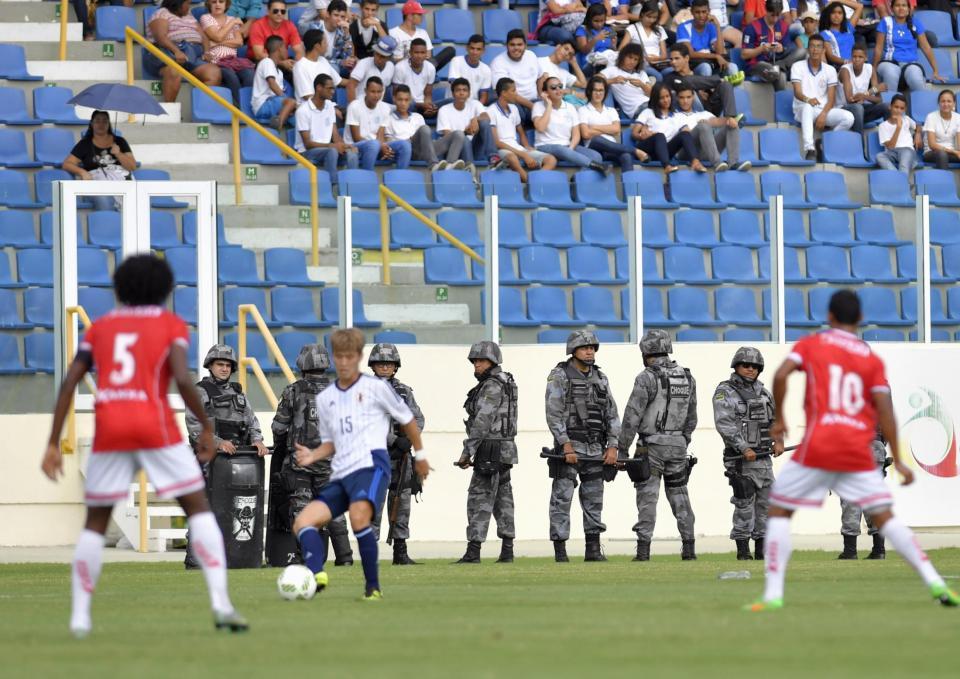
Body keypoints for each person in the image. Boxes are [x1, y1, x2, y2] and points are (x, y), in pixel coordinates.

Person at [42, 254, 247, 637]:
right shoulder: (171, 325)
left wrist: (53, 441)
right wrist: (205, 426)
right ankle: (221, 604)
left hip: (111, 430)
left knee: (95, 524)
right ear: (165, 290)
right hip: (155, 428)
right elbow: (184, 381)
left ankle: (80, 617)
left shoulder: (100, 328)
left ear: (119, 288)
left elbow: (70, 381)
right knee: (198, 510)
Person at [746, 290, 960, 611]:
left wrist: (779, 422)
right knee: (887, 518)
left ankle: (773, 593)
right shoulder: (870, 359)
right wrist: (899, 460)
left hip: (819, 446)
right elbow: (884, 409)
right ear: (860, 320)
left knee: (779, 513)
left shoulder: (811, 345)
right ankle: (935, 583)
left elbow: (780, 374)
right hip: (858, 450)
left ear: (829, 317)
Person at [291, 328, 429, 601]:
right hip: (343, 471)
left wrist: (420, 455)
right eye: (339, 356)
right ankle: (317, 575)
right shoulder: (326, 397)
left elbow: (409, 419)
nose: (344, 362)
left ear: (357, 358)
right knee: (303, 522)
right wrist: (313, 455)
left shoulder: (377, 388)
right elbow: (332, 442)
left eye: (349, 356)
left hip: (372, 465)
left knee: (358, 517)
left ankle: (372, 587)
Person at [183, 344, 268, 569]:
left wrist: (257, 440)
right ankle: (195, 560)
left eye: (228, 365)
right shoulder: (200, 391)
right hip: (208, 460)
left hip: (237, 461)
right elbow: (194, 427)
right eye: (220, 364)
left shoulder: (239, 393)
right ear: (210, 366)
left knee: (235, 509)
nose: (224, 369)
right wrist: (219, 443)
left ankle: (234, 556)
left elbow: (252, 422)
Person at [271, 343, 354, 568]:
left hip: (300, 465)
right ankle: (345, 557)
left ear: (302, 364)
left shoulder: (294, 391)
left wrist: (281, 447)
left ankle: (304, 557)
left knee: (302, 510)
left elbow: (279, 427)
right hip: (331, 465)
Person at [619, 330, 698, 562]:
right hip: (678, 446)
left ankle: (643, 552)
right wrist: (683, 440)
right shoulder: (686, 377)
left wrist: (622, 448)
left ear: (645, 352)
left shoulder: (647, 377)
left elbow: (632, 415)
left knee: (647, 498)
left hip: (650, 447)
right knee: (680, 497)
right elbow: (692, 417)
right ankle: (689, 549)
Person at [545, 331, 621, 563]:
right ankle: (560, 552)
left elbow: (612, 414)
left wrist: (613, 446)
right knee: (561, 500)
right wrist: (565, 444)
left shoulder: (601, 378)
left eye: (593, 348)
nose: (590, 351)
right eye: (584, 347)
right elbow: (554, 413)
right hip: (570, 450)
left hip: (596, 450)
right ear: (573, 350)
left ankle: (593, 550)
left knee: (594, 501)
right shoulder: (559, 375)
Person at [713, 347, 781, 561]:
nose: (750, 369)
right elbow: (724, 424)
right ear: (736, 366)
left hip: (763, 460)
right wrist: (743, 447)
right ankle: (743, 551)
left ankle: (761, 550)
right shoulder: (725, 391)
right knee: (744, 506)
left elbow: (775, 420)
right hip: (741, 461)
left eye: (754, 366)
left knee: (767, 506)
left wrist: (778, 440)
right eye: (745, 365)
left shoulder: (764, 393)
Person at [455, 342, 519, 564]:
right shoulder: (507, 381)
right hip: (505, 450)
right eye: (474, 361)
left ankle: (474, 551)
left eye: (480, 361)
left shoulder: (491, 386)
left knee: (479, 499)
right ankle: (507, 550)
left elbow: (483, 421)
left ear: (492, 361)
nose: (476, 365)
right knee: (503, 499)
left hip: (490, 449)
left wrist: (467, 451)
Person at [367, 344, 426, 565]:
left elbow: (418, 419)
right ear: (373, 365)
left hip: (401, 459)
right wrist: (393, 440)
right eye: (381, 363)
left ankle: (400, 551)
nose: (385, 366)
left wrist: (409, 439)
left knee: (401, 504)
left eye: (389, 363)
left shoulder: (404, 391)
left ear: (395, 367)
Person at [144, 0, 223, 103]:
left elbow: (204, 37)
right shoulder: (161, 13)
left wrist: (207, 52)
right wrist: (176, 51)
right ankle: (170, 109)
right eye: (187, 3)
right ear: (178, 3)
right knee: (174, 71)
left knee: (213, 72)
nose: (189, 7)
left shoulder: (189, 15)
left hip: (191, 55)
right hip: (167, 54)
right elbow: (160, 37)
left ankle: (200, 108)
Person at [792, 34, 854, 160]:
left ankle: (825, 144)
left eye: (818, 46)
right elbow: (797, 92)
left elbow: (831, 98)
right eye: (812, 46)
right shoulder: (797, 66)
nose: (815, 49)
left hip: (822, 109)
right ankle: (810, 149)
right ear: (808, 49)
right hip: (802, 108)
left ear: (823, 50)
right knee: (808, 107)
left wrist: (824, 114)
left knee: (849, 118)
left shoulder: (830, 70)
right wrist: (808, 100)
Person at [62, 111, 137, 212]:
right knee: (104, 200)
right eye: (97, 121)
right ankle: (109, 226)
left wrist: (119, 153)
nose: (101, 124)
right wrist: (82, 172)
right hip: (96, 183)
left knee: (139, 200)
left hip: (122, 180)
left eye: (104, 121)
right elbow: (67, 164)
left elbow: (132, 166)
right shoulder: (85, 144)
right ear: (92, 124)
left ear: (108, 124)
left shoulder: (120, 141)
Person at [488, 77, 558, 181]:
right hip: (503, 150)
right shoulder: (491, 111)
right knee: (512, 158)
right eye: (513, 90)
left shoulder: (514, 108)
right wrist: (524, 155)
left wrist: (526, 146)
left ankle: (536, 180)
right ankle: (530, 183)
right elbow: (497, 143)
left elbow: (521, 132)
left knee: (551, 160)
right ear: (503, 93)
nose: (516, 93)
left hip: (518, 148)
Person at [533, 77, 607, 172]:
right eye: (553, 87)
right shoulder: (538, 106)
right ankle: (597, 167)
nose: (558, 90)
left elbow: (576, 134)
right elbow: (540, 128)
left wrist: (571, 148)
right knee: (560, 149)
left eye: (560, 86)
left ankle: (576, 178)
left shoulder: (570, 107)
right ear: (546, 92)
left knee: (596, 156)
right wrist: (549, 106)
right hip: (545, 146)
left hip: (567, 146)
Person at [385, 85, 465, 171]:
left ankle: (450, 165)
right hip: (409, 151)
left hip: (426, 150)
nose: (403, 103)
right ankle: (433, 164)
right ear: (394, 99)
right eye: (400, 100)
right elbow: (390, 144)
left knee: (459, 134)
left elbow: (426, 138)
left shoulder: (418, 117)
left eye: (406, 100)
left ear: (410, 101)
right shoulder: (389, 119)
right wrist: (408, 141)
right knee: (424, 128)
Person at [579, 76, 649, 171]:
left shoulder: (611, 111)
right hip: (593, 148)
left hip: (611, 149)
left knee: (626, 156)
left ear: (605, 92)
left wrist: (594, 127)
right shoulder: (583, 110)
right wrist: (608, 130)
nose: (598, 93)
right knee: (597, 139)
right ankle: (635, 151)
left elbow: (616, 130)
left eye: (601, 90)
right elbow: (586, 134)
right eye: (595, 90)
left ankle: (628, 185)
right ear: (589, 92)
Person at [295, 74, 357, 182]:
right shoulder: (303, 111)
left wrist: (344, 145)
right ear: (319, 88)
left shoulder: (329, 106)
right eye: (329, 88)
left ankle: (352, 189)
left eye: (333, 88)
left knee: (352, 152)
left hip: (327, 148)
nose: (333, 92)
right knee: (332, 151)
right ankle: (333, 188)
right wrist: (332, 146)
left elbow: (335, 136)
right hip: (306, 152)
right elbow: (308, 144)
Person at [674, 84, 749, 171]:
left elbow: (717, 121)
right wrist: (700, 127)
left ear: (693, 97)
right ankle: (717, 163)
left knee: (731, 124)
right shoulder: (673, 116)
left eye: (688, 97)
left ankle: (733, 163)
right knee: (703, 126)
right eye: (682, 97)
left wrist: (731, 120)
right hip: (686, 153)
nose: (685, 101)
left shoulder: (703, 114)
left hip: (706, 153)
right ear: (676, 98)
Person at [873, 0, 943, 94]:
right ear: (892, 8)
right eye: (897, 5)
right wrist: (873, 70)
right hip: (889, 62)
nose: (901, 8)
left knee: (915, 77)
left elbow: (926, 47)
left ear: (909, 9)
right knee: (891, 73)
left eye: (904, 5)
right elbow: (878, 48)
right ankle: (888, 105)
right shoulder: (885, 22)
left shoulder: (915, 23)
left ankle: (920, 107)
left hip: (910, 64)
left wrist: (935, 71)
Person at [632, 82, 698, 173]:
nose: (666, 100)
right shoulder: (648, 112)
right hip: (647, 151)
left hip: (666, 151)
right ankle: (667, 166)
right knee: (660, 136)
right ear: (656, 99)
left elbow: (687, 133)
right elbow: (634, 133)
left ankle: (695, 162)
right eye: (662, 98)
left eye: (667, 96)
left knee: (685, 134)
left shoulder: (677, 115)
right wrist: (642, 136)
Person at [200, 0, 255, 107]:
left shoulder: (231, 19)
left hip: (233, 60)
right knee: (231, 76)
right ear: (209, 4)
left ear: (226, 5)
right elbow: (218, 36)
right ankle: (239, 109)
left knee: (249, 74)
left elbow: (239, 42)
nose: (217, 4)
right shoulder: (206, 18)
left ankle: (249, 106)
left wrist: (215, 43)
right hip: (217, 61)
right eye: (213, 2)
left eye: (221, 1)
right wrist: (232, 24)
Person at [742, 0, 807, 90]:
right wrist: (761, 49)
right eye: (772, 15)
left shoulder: (783, 25)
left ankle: (779, 66)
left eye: (778, 15)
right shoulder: (753, 27)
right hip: (758, 64)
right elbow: (744, 54)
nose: (775, 19)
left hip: (777, 60)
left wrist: (781, 49)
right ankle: (778, 69)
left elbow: (787, 47)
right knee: (780, 75)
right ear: (766, 10)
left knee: (802, 51)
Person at [664, 43, 740, 119]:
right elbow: (685, 83)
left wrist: (708, 90)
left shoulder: (697, 75)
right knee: (686, 83)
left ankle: (731, 118)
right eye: (671, 59)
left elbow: (701, 85)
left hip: (709, 108)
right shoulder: (670, 78)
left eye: (677, 58)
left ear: (686, 58)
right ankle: (720, 79)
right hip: (694, 114)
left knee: (725, 84)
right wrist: (697, 91)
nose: (673, 62)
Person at [437, 78, 496, 168]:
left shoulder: (475, 104)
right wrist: (464, 133)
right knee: (463, 138)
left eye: (464, 90)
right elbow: (447, 136)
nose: (461, 93)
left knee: (484, 122)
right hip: (456, 149)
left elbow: (486, 117)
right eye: (458, 90)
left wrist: (475, 119)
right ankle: (470, 169)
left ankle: (493, 157)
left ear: (468, 93)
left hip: (475, 147)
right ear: (453, 94)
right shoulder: (444, 110)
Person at [490, 29, 544, 125]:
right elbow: (507, 93)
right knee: (517, 114)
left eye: (519, 44)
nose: (516, 48)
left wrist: (540, 97)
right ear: (506, 46)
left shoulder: (531, 56)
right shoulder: (498, 62)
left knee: (553, 113)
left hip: (534, 100)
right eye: (512, 45)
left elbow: (540, 77)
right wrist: (534, 107)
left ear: (525, 45)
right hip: (513, 102)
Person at [676, 0, 739, 77]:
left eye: (704, 12)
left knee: (733, 67)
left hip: (711, 62)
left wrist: (718, 26)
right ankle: (705, 88)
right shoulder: (683, 27)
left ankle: (729, 88)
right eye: (697, 12)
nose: (701, 15)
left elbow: (720, 52)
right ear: (692, 12)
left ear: (709, 12)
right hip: (694, 65)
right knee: (706, 67)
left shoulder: (711, 26)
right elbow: (690, 54)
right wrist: (715, 56)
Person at [389, 0, 455, 71]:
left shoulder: (423, 32)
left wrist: (417, 58)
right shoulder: (393, 33)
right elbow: (393, 60)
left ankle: (428, 72)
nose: (422, 17)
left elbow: (428, 55)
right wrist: (414, 59)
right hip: (403, 69)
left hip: (423, 67)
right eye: (419, 14)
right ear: (410, 16)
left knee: (450, 50)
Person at [344, 76, 393, 170]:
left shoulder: (385, 108)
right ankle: (368, 175)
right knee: (374, 144)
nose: (376, 95)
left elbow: (380, 136)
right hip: (354, 145)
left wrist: (382, 145)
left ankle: (398, 180)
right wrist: (378, 145)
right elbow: (356, 138)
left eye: (379, 92)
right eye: (373, 91)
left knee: (404, 146)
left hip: (374, 145)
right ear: (366, 91)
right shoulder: (354, 106)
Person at [838, 43, 889, 133]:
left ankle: (889, 140)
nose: (857, 59)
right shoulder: (845, 70)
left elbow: (878, 100)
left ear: (866, 58)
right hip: (843, 109)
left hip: (861, 110)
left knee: (887, 106)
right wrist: (872, 91)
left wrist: (864, 96)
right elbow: (850, 99)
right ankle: (860, 143)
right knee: (858, 108)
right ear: (851, 57)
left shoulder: (870, 68)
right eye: (854, 56)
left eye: (860, 57)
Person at [251, 35, 298, 128]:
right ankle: (277, 126)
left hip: (275, 104)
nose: (287, 51)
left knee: (299, 118)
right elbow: (272, 84)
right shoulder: (267, 62)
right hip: (262, 105)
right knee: (291, 102)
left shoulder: (279, 72)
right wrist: (287, 102)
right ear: (279, 48)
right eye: (285, 47)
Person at [301, 0, 355, 77]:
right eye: (336, 15)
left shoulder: (342, 31)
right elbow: (316, 57)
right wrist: (340, 62)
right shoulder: (315, 28)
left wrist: (347, 35)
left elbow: (347, 55)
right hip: (316, 64)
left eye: (342, 16)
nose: (339, 19)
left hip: (334, 63)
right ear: (327, 14)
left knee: (355, 66)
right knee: (334, 68)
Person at [619, 2, 669, 81]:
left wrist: (656, 58)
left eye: (654, 17)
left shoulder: (660, 29)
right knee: (658, 76)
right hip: (640, 63)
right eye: (649, 16)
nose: (651, 20)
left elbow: (664, 55)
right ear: (642, 14)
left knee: (669, 72)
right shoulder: (633, 28)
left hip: (657, 63)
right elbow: (621, 49)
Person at [600, 44, 653, 119]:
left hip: (651, 103)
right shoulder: (612, 70)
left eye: (636, 59)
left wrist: (642, 85)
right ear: (623, 56)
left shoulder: (642, 73)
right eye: (630, 57)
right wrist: (613, 80)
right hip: (637, 108)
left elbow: (653, 94)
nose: (632, 62)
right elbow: (594, 81)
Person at [248, 0, 304, 66]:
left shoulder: (290, 25)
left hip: (282, 60)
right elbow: (259, 55)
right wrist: (280, 63)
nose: (279, 14)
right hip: (261, 62)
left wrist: (297, 66)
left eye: (283, 11)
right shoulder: (257, 26)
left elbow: (299, 51)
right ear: (268, 11)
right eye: (275, 11)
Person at [876, 93, 922, 173]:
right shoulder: (883, 126)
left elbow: (918, 125)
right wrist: (898, 127)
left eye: (902, 108)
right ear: (890, 107)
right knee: (879, 156)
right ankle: (897, 177)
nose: (898, 110)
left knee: (904, 161)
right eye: (896, 107)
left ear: (905, 110)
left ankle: (899, 180)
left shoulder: (906, 119)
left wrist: (918, 134)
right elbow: (890, 146)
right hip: (892, 152)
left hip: (907, 150)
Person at [393, 38, 438, 117]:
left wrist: (429, 107)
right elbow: (397, 96)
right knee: (404, 106)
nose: (419, 56)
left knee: (448, 103)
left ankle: (427, 113)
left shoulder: (431, 68)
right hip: (406, 105)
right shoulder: (400, 67)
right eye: (416, 52)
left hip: (422, 106)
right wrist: (419, 105)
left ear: (426, 53)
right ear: (410, 52)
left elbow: (428, 94)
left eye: (422, 52)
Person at [293, 29, 342, 102]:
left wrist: (356, 81)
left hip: (328, 106)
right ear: (317, 46)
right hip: (311, 110)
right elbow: (308, 96)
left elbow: (339, 81)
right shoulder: (300, 66)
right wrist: (330, 107)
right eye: (325, 42)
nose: (327, 45)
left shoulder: (323, 60)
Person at [347, 35, 396, 102]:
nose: (378, 59)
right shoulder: (364, 63)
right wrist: (353, 107)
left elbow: (384, 88)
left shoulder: (391, 67)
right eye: (377, 54)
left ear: (389, 57)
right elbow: (351, 85)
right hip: (360, 104)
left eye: (382, 56)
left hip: (377, 107)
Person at [574, 4, 619, 76]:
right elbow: (583, 50)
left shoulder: (608, 29)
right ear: (589, 19)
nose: (599, 24)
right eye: (596, 21)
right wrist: (595, 39)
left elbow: (612, 50)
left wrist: (614, 45)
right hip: (589, 64)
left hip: (606, 61)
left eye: (602, 21)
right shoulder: (582, 30)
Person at [449, 35, 494, 105]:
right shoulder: (456, 61)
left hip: (472, 105)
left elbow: (484, 96)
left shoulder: (486, 69)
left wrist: (477, 109)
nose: (475, 52)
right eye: (472, 48)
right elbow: (456, 88)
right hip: (453, 102)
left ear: (483, 51)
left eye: (478, 49)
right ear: (466, 48)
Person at [921, 89, 960, 168]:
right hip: (932, 152)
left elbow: (959, 144)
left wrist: (957, 152)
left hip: (952, 153)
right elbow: (932, 145)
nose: (946, 104)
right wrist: (954, 151)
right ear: (939, 103)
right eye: (943, 101)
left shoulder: (958, 117)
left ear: (954, 103)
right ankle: (944, 180)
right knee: (942, 154)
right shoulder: (931, 117)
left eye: (949, 101)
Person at [819, 1, 862, 67]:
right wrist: (847, 62)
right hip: (840, 67)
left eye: (840, 13)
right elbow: (830, 56)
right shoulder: (825, 33)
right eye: (833, 13)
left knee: (870, 68)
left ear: (843, 15)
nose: (836, 16)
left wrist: (837, 1)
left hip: (855, 65)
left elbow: (859, 7)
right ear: (828, 15)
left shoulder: (848, 28)